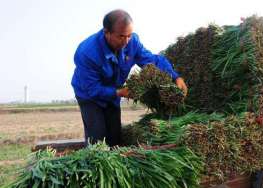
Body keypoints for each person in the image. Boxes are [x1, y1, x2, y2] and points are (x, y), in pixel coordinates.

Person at [71, 9, 187, 147]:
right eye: (121, 36)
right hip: (89, 96)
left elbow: (152, 61)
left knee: (115, 138)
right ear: (106, 32)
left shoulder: (132, 42)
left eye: (129, 35)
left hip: (114, 94)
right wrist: (119, 92)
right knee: (97, 139)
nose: (126, 41)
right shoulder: (87, 53)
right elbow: (92, 89)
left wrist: (176, 77)